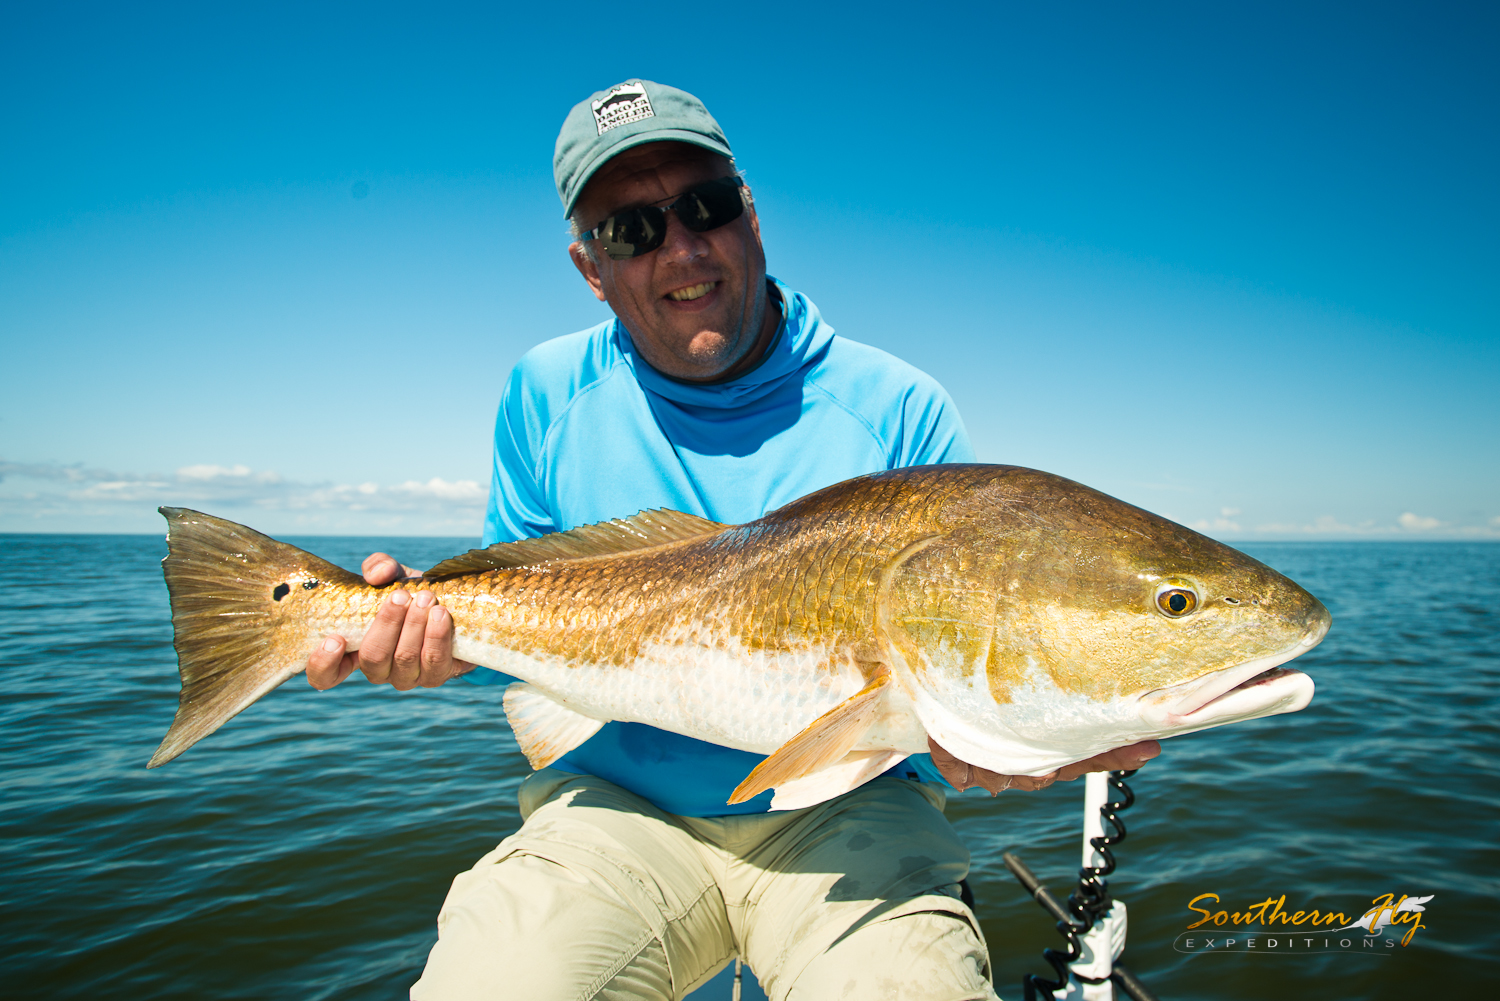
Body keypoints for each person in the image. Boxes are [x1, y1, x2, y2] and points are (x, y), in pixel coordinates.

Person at [306, 80, 1158, 1000]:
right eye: (631, 230)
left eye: (704, 206)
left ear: (751, 213)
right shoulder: (545, 392)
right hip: (615, 810)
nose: (680, 246)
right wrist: (427, 645)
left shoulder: (901, 407)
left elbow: (956, 674)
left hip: (853, 810)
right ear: (591, 268)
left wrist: (1006, 735)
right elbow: (508, 602)